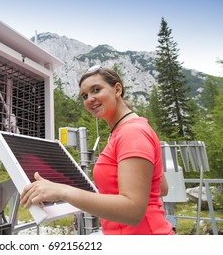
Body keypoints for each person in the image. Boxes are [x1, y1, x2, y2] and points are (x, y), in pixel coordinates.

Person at [20, 65, 174, 235]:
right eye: (85, 96)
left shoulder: (131, 133)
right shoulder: (123, 131)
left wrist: (62, 191)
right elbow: (161, 187)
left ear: (117, 89)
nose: (90, 99)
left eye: (96, 90)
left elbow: (133, 211)